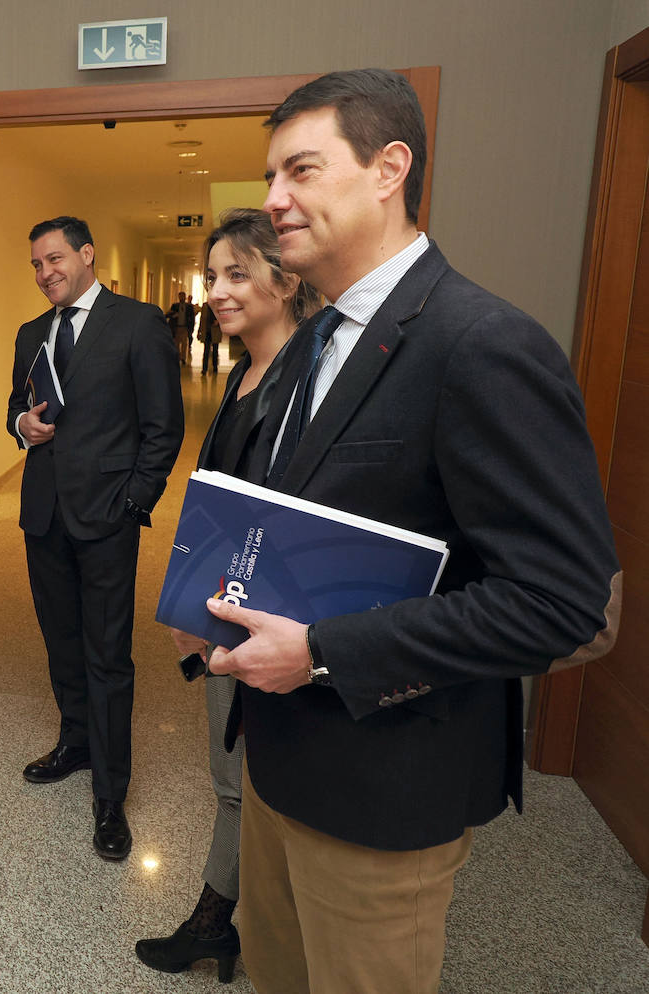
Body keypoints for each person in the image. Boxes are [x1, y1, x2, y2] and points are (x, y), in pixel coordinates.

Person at [204, 69, 621, 993]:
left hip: (382, 789)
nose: (273, 200)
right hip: (277, 762)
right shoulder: (313, 339)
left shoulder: (482, 345)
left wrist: (317, 651)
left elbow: (562, 605)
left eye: (301, 170)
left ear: (389, 168)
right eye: (271, 175)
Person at [136, 208, 319, 982]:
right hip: (221, 612)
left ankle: (218, 923)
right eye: (212, 276)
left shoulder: (310, 385)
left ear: (286, 280)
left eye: (236, 274)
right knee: (229, 777)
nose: (215, 290)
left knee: (246, 783)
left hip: (269, 626)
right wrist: (187, 608)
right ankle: (226, 923)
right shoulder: (246, 375)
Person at [8, 216, 183, 860]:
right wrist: (21, 423)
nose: (44, 272)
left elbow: (164, 427)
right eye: (35, 264)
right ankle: (75, 742)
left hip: (107, 518)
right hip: (43, 515)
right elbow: (11, 407)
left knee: (108, 652)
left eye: (54, 259)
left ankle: (111, 794)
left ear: (87, 255)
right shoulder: (31, 334)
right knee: (60, 640)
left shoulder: (136, 325)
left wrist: (134, 503)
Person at [165, 290, 193, 364]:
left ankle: (183, 358)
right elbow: (168, 315)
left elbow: (192, 318)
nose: (181, 298)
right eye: (180, 296)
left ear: (185, 297)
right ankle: (177, 357)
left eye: (183, 296)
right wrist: (173, 315)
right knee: (176, 344)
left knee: (184, 344)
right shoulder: (175, 306)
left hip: (185, 327)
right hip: (176, 327)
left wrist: (191, 329)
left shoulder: (189, 307)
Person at [198, 300, 223, 375]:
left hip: (215, 331)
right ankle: (204, 369)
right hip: (207, 331)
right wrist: (199, 330)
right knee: (206, 351)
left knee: (215, 350)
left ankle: (215, 367)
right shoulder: (205, 306)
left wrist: (218, 321)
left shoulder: (219, 305)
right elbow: (202, 318)